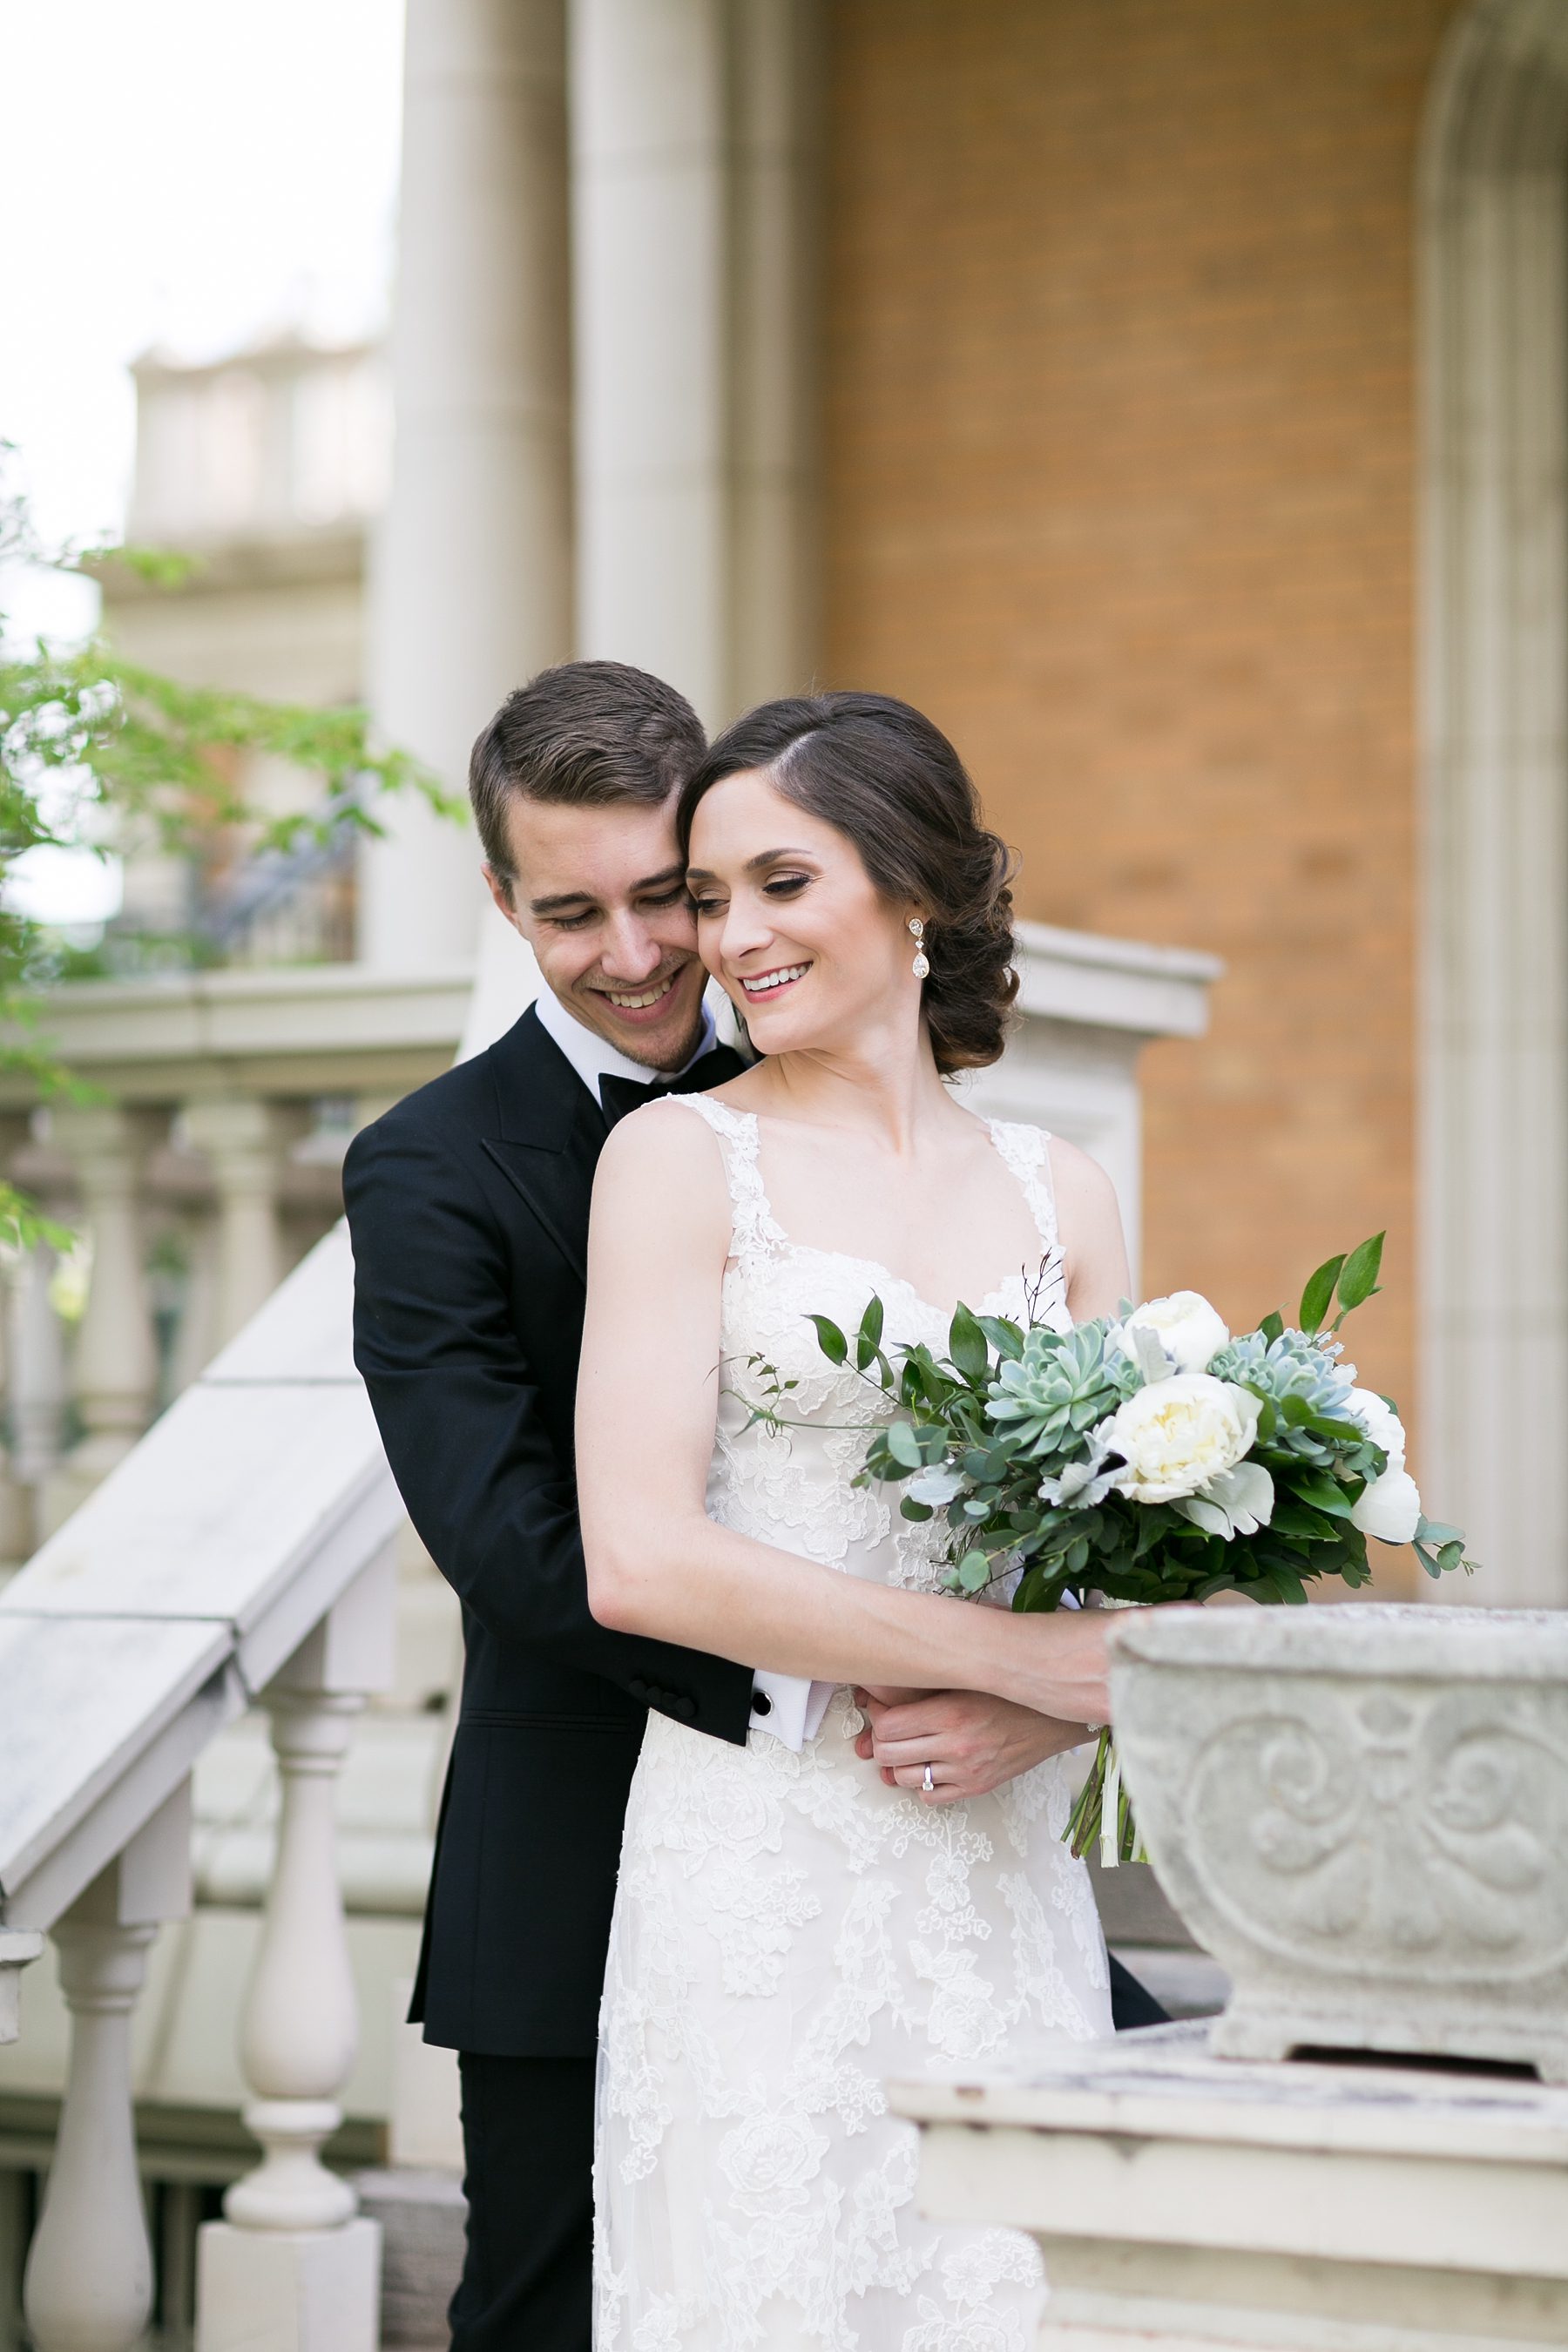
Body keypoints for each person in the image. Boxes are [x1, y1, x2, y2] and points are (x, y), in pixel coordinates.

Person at [344, 663, 1141, 2352]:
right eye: (576, 914)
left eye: (679, 896)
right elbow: (519, 1544)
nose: (648, 954)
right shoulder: (444, 1165)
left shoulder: (1036, 1180)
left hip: (962, 1834)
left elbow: (1114, 1551)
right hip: (638, 1836)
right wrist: (867, 1690)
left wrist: (1037, 1700)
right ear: (503, 902)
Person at [578, 691, 1137, 2347]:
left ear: (912, 890)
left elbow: (1154, 1586)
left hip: (1001, 1874)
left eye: (778, 884)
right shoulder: (680, 1162)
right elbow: (641, 1557)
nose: (726, 939)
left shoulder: (1067, 1190)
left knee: (1012, 2294)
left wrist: (1030, 1722)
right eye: (710, 895)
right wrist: (1028, 1659)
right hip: (760, 1857)